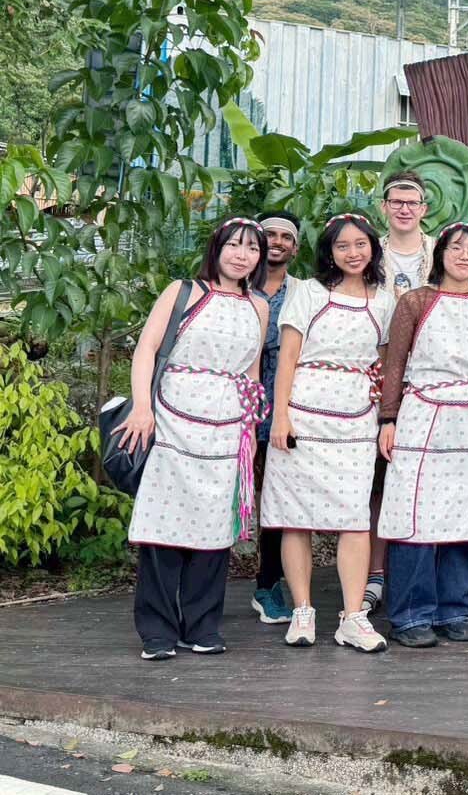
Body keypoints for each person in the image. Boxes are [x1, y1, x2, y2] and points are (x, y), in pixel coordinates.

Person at [117, 218, 270, 660]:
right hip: (171, 417)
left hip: (226, 426)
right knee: (164, 528)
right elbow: (147, 349)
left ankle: (203, 625)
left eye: (252, 249)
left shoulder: (258, 305)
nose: (242, 255)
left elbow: (252, 372)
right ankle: (158, 632)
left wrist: (249, 430)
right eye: (234, 246)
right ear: (217, 248)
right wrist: (143, 408)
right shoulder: (183, 291)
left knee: (213, 530)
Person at [260, 213, 395, 652]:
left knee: (354, 518)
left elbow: (383, 362)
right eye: (342, 246)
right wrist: (280, 415)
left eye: (360, 244)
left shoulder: (383, 300)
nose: (352, 253)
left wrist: (384, 418)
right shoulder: (309, 293)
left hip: (356, 417)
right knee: (295, 517)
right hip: (303, 413)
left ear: (373, 247)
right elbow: (288, 359)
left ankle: (353, 617)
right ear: (329, 252)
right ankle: (302, 610)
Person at [377, 223, 468, 648]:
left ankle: (456, 608)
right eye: (456, 247)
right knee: (414, 515)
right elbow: (394, 363)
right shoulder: (416, 301)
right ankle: (411, 614)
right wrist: (388, 418)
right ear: (440, 254)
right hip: (422, 414)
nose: (465, 256)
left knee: (463, 515)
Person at [363, 171, 436, 616]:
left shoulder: (442, 252)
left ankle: (418, 574)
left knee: (421, 482)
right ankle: (374, 574)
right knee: (377, 482)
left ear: (424, 208)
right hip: (375, 377)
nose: (405, 208)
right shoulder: (368, 253)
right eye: (397, 200)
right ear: (385, 206)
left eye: (413, 201)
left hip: (429, 382)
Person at [250, 210, 303, 627]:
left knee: (277, 495)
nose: (278, 241)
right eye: (270, 234)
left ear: (295, 247)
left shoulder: (303, 293)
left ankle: (269, 583)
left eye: (286, 236)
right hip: (230, 404)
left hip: (282, 403)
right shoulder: (231, 285)